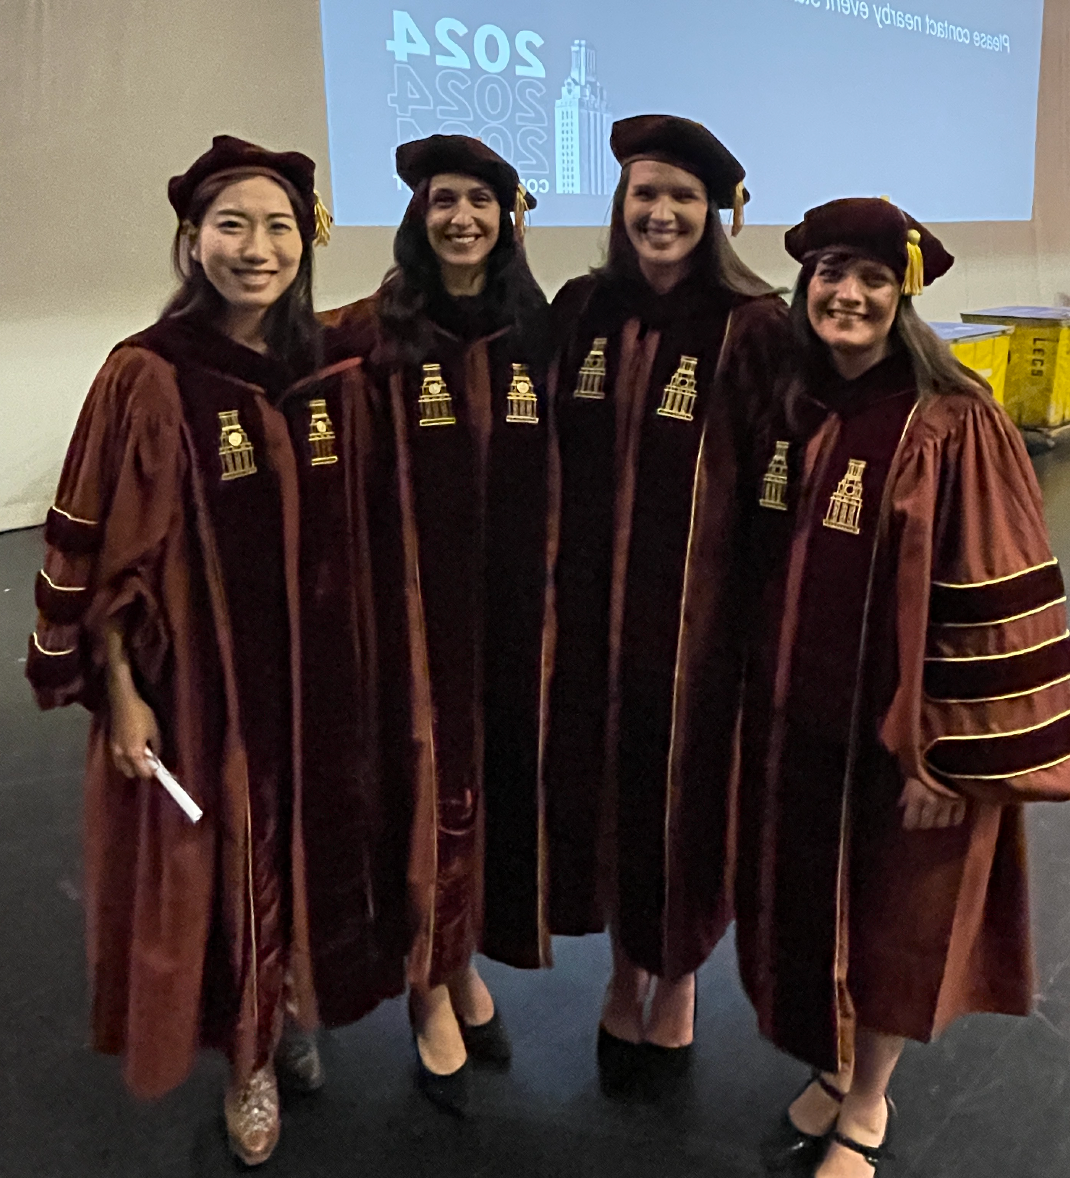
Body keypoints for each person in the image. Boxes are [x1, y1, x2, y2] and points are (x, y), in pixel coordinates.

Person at [26, 136, 407, 1166]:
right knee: (227, 863)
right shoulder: (148, 374)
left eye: (279, 226)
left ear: (306, 240)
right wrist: (119, 690)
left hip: (319, 676)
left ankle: (290, 1006)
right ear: (192, 239)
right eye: (232, 225)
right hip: (204, 686)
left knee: (310, 848)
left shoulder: (330, 369)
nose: (258, 247)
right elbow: (99, 546)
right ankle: (246, 1056)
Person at [735, 197, 1070, 1177]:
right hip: (802, 727)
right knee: (821, 911)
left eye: (872, 278)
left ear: (904, 295)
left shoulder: (953, 421)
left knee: (893, 921)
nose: (847, 294)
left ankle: (867, 1103)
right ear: (805, 287)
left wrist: (944, 748)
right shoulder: (794, 407)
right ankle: (833, 1063)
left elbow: (994, 591)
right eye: (829, 274)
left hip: (906, 741)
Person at [543, 114, 790, 1096]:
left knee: (685, 800)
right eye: (645, 193)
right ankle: (624, 967)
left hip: (699, 621)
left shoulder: (752, 324)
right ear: (620, 203)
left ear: (712, 211)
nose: (660, 212)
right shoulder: (582, 308)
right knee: (612, 790)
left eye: (682, 197)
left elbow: (780, 469)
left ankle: (677, 974)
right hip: (590, 615)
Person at [321, 134, 552, 1115]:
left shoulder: (537, 332)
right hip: (409, 617)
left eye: (480, 200)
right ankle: (427, 988)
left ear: (508, 216)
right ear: (418, 214)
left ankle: (459, 961)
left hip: (512, 615)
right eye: (442, 199)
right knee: (423, 795)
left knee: (488, 794)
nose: (461, 217)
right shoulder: (365, 337)